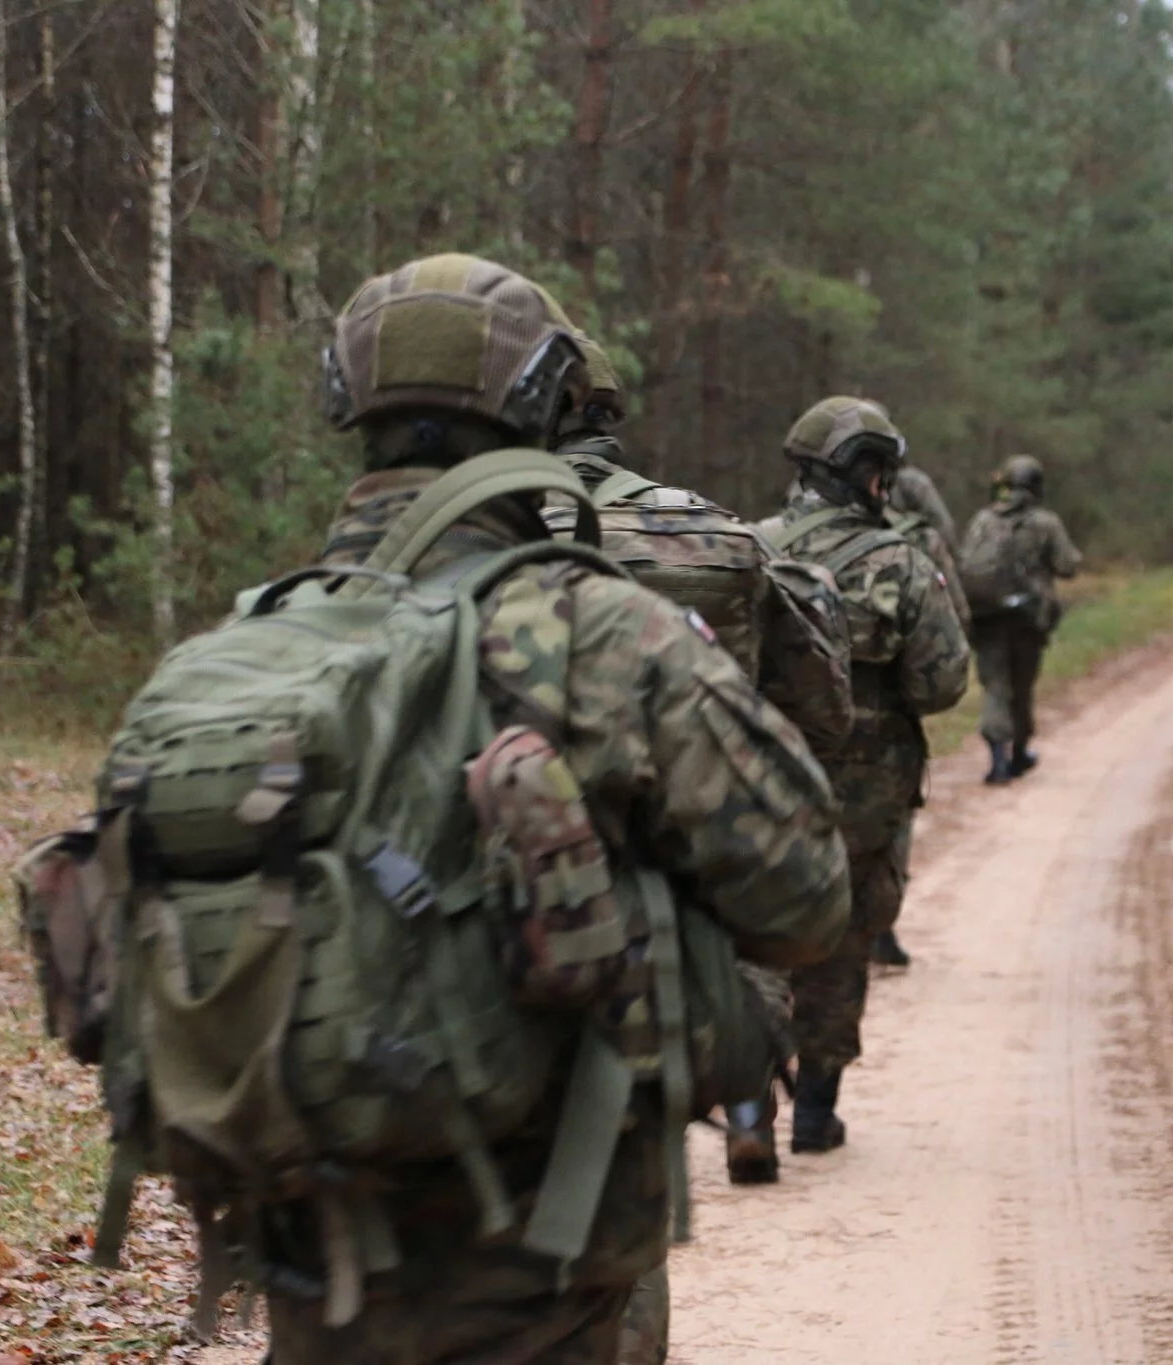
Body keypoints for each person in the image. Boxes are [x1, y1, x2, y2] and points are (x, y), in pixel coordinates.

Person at [281, 253, 852, 1364]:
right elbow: (803, 899)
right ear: (541, 407)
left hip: (314, 1250)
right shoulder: (602, 635)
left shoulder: (259, 643)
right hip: (548, 1261)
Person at [759, 397, 970, 1154]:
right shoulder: (904, 563)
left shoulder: (750, 549)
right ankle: (815, 1108)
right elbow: (943, 684)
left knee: (757, 930)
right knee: (843, 935)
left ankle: (750, 1111)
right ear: (867, 476)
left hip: (761, 778)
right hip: (864, 791)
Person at [875, 463, 967, 970]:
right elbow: (949, 654)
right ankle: (880, 929)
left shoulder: (779, 535)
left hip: (804, 724)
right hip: (887, 727)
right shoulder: (917, 540)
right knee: (889, 824)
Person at [958, 454, 1082, 785]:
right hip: (1028, 619)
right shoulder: (1045, 523)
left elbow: (965, 564)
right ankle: (1019, 754)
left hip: (987, 619)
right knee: (1021, 687)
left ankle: (997, 760)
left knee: (995, 687)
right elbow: (1068, 566)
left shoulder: (983, 520)